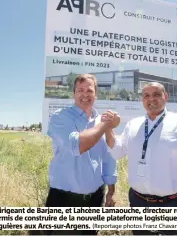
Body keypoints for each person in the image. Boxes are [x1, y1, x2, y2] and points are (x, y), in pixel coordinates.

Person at [102, 82, 177, 235]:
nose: (152, 99)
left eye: (157, 94)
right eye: (146, 96)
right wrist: (108, 127)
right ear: (142, 100)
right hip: (138, 203)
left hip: (173, 205)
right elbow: (117, 152)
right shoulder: (133, 125)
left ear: (166, 97)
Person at [45, 74, 120, 235]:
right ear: (73, 94)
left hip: (94, 199)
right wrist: (106, 125)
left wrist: (111, 191)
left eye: (89, 90)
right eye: (80, 90)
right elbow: (77, 145)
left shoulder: (102, 120)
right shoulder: (60, 117)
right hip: (64, 200)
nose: (85, 94)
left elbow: (108, 157)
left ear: (96, 94)